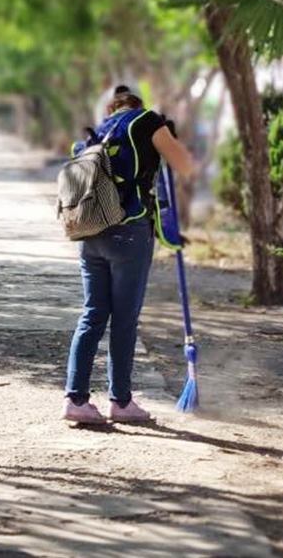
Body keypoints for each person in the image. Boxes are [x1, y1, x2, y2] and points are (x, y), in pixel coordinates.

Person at [63, 85, 195, 424]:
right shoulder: (147, 121)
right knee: (123, 321)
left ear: (111, 108)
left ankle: (75, 399)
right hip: (130, 233)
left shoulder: (98, 134)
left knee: (92, 315)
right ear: (138, 103)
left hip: (90, 232)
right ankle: (120, 403)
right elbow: (185, 165)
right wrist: (168, 138)